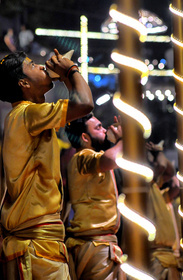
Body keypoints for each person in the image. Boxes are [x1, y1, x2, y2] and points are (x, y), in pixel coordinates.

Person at [0, 49, 93, 279]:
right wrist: (70, 71)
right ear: (24, 83)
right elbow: (84, 104)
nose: (43, 67)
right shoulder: (27, 114)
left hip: (38, 244)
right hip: (35, 245)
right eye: (33, 65)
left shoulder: (25, 115)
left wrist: (65, 77)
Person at [64, 114, 126, 280]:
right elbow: (111, 158)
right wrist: (123, 139)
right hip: (96, 246)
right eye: (98, 127)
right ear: (85, 137)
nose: (105, 130)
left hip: (98, 245)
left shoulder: (88, 158)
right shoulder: (81, 157)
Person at [146, 141, 183, 280]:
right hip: (156, 257)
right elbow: (162, 166)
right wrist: (158, 152)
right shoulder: (144, 184)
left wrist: (156, 154)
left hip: (169, 256)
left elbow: (171, 174)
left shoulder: (157, 189)